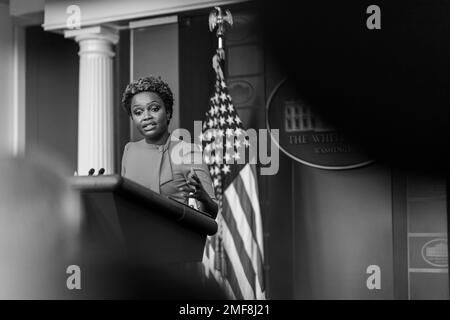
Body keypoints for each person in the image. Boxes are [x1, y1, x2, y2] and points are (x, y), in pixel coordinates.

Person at [121, 76, 218, 218]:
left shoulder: (188, 151)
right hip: (134, 235)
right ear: (133, 118)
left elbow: (212, 214)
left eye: (154, 109)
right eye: (138, 112)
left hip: (171, 236)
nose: (146, 116)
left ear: (167, 112)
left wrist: (204, 198)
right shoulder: (130, 150)